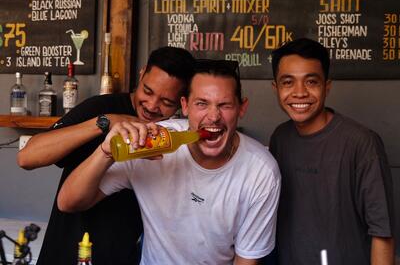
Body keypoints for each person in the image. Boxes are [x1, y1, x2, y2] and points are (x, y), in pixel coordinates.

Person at [57, 59, 281, 264]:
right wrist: (105, 153)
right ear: (185, 106)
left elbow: (246, 260)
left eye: (225, 105)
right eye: (202, 103)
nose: (213, 117)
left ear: (242, 108)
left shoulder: (261, 171)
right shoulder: (154, 141)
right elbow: (68, 202)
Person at [17, 46, 195, 265]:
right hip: (66, 253)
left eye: (166, 102)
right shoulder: (101, 108)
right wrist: (105, 122)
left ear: (182, 102)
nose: (152, 106)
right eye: (147, 91)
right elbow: (26, 158)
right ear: (141, 75)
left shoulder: (175, 135)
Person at [269, 38, 394, 265]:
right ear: (275, 88)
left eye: (311, 82)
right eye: (288, 82)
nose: (299, 93)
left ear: (327, 86)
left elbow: (382, 232)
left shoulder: (362, 143)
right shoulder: (280, 137)